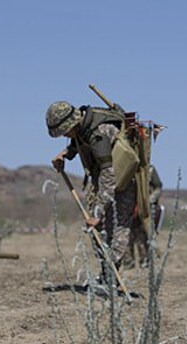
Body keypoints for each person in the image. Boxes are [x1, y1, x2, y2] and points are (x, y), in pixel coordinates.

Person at [46, 101, 136, 283]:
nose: (65, 135)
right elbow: (77, 141)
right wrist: (65, 154)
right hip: (103, 182)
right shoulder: (84, 125)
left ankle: (111, 279)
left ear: (72, 124)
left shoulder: (98, 135)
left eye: (65, 131)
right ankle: (106, 276)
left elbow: (108, 174)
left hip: (121, 182)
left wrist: (97, 213)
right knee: (100, 232)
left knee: (116, 229)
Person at [123, 164, 163, 268]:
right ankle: (128, 262)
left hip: (145, 210)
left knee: (145, 236)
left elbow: (158, 187)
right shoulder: (126, 166)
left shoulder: (149, 169)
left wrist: (148, 201)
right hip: (128, 207)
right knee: (126, 235)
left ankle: (145, 261)